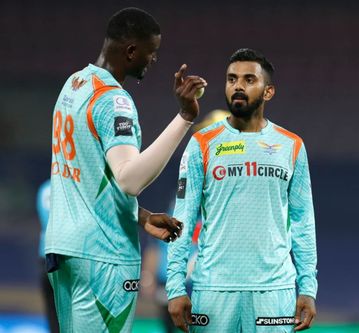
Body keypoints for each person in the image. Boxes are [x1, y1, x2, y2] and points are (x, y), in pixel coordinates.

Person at [45, 7, 206, 332]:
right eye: (152, 53)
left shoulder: (74, 84)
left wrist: (142, 217)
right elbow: (129, 178)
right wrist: (185, 117)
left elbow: (93, 181)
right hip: (104, 257)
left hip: (64, 249)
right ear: (132, 51)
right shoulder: (114, 101)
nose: (153, 60)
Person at [166, 48, 318, 332]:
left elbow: (303, 222)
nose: (238, 85)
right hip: (213, 290)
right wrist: (175, 286)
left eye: (249, 79)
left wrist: (308, 287)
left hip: (275, 292)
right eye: (232, 79)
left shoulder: (292, 145)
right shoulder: (202, 143)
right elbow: (183, 218)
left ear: (268, 92)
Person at [141, 110, 231, 333]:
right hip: (174, 283)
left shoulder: (236, 190)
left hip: (211, 287)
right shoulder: (185, 182)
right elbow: (161, 237)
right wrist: (149, 274)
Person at [36, 180, 59, 333]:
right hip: (66, 254)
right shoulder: (72, 185)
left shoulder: (43, 188)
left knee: (52, 312)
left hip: (44, 254)